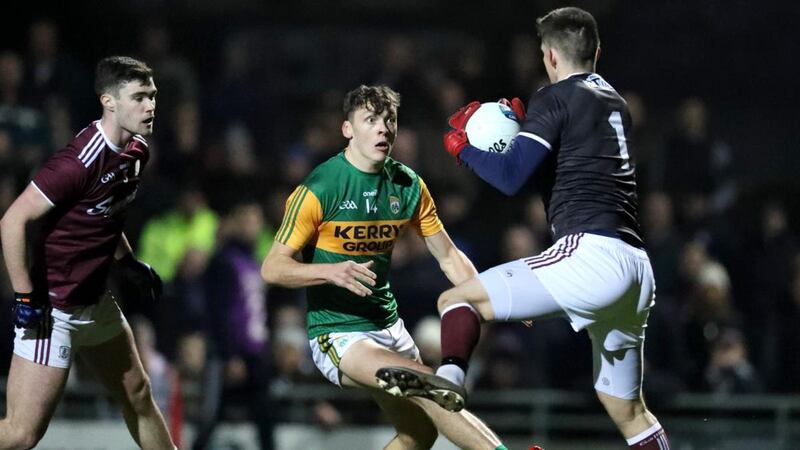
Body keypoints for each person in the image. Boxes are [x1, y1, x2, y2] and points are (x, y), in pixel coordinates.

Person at [377, 8, 672, 450]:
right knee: (627, 409)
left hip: (588, 255)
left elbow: (510, 177)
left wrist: (465, 150)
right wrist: (529, 134)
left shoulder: (554, 98)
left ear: (550, 56)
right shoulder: (616, 103)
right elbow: (567, 174)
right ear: (597, 52)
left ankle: (451, 379)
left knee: (456, 299)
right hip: (634, 266)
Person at [261, 85, 507, 450]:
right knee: (429, 382)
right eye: (371, 120)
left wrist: (498, 297)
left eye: (389, 119)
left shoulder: (407, 184)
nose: (383, 129)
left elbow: (448, 257)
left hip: (390, 328)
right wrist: (329, 271)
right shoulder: (320, 187)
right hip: (339, 333)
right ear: (348, 129)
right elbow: (272, 267)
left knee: (418, 435)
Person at [0, 56, 174, 449]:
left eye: (153, 96)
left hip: (96, 302)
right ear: (108, 101)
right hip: (54, 309)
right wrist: (26, 296)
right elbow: (11, 222)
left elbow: (104, 214)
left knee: (139, 395)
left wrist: (127, 261)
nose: (151, 106)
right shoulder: (78, 160)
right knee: (21, 435)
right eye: (140, 97)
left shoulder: (137, 149)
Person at [193, 199, 273, 450]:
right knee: (211, 417)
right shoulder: (223, 261)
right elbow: (218, 312)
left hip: (254, 354)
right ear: (236, 224)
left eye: (256, 221)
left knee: (265, 418)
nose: (253, 227)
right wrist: (229, 355)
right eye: (247, 221)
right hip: (230, 355)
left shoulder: (252, 261)